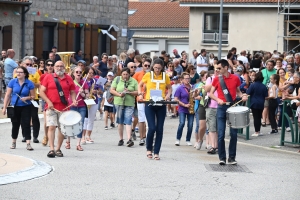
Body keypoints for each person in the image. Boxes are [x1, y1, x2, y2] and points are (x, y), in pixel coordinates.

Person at [209, 59, 248, 165]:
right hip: (221, 108)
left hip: (233, 106)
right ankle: (222, 157)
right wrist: (218, 100)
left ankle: (232, 157)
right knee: (221, 134)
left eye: (219, 68)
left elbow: (238, 92)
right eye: (217, 68)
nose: (217, 70)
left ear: (226, 68)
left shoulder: (235, 78)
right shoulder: (217, 79)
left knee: (233, 134)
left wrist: (243, 96)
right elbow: (211, 94)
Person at [39, 61, 77, 158]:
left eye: (61, 66)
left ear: (64, 67)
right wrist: (48, 102)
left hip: (64, 107)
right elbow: (41, 92)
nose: (59, 68)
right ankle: (51, 149)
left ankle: (58, 149)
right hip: (51, 107)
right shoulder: (48, 77)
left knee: (62, 129)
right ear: (54, 67)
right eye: (57, 66)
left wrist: (73, 99)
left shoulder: (68, 78)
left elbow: (72, 91)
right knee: (51, 127)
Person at [138, 58, 172, 160]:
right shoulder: (148, 75)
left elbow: (169, 87)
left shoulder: (165, 76)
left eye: (159, 68)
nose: (157, 69)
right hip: (150, 103)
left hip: (161, 104)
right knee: (152, 128)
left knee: (160, 129)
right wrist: (140, 94)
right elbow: (140, 85)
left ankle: (156, 151)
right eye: (155, 67)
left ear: (162, 68)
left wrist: (168, 95)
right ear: (153, 67)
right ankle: (149, 149)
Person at [2, 66, 35, 150]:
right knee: (15, 124)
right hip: (15, 106)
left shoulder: (29, 83)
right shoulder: (12, 82)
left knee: (26, 124)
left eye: (20, 72)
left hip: (26, 106)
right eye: (17, 72)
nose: (18, 74)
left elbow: (33, 96)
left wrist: (27, 98)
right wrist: (4, 107)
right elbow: (8, 95)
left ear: (24, 74)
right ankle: (13, 142)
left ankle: (28, 143)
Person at [13, 57, 41, 143]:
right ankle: (25, 135)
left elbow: (39, 84)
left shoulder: (36, 73)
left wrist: (32, 83)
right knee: (24, 118)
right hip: (22, 99)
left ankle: (35, 136)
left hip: (33, 98)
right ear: (23, 65)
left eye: (30, 64)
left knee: (35, 117)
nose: (29, 66)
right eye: (27, 64)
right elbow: (15, 80)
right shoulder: (19, 72)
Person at [110, 67, 138, 147]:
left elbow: (137, 92)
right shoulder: (117, 79)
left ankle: (129, 139)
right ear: (121, 74)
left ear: (129, 74)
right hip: (119, 102)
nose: (125, 76)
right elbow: (112, 90)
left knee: (128, 120)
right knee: (120, 121)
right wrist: (119, 94)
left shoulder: (133, 81)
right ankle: (121, 139)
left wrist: (129, 92)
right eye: (123, 74)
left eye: (127, 74)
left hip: (129, 103)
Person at [64, 66, 89, 151]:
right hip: (72, 106)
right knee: (70, 124)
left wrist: (82, 93)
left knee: (80, 124)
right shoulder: (70, 82)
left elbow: (87, 96)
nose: (78, 73)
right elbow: (66, 93)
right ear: (73, 73)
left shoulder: (84, 83)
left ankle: (78, 144)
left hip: (81, 106)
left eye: (80, 72)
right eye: (77, 72)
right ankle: (68, 142)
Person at [132, 58, 151, 145]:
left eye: (148, 65)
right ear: (142, 65)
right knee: (141, 118)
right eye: (145, 65)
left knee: (149, 119)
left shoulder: (152, 75)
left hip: (149, 99)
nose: (147, 67)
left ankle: (148, 137)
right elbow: (133, 85)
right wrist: (138, 94)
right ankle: (142, 137)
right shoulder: (137, 74)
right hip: (140, 99)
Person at [82, 67, 103, 144]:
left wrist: (97, 91)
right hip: (85, 101)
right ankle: (83, 137)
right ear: (86, 73)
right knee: (85, 120)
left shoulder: (96, 81)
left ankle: (88, 136)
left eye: (92, 73)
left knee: (91, 119)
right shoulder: (83, 81)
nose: (91, 75)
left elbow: (100, 91)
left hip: (94, 100)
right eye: (89, 73)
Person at [174, 72, 195, 146]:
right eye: (186, 78)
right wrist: (184, 105)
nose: (187, 80)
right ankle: (178, 139)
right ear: (182, 80)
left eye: (188, 78)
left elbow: (195, 96)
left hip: (191, 108)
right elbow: (176, 99)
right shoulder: (180, 88)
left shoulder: (192, 87)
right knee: (182, 123)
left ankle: (188, 139)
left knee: (190, 124)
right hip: (182, 108)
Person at [246, 72, 268, 137]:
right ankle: (259, 130)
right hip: (261, 102)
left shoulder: (253, 85)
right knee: (259, 117)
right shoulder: (264, 86)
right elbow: (266, 95)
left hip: (254, 102)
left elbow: (248, 93)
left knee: (255, 117)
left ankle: (256, 131)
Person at [40, 59, 55, 146]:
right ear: (46, 66)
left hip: (55, 99)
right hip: (46, 99)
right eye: (48, 65)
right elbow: (42, 89)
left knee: (53, 122)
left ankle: (51, 139)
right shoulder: (43, 76)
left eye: (51, 65)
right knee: (46, 120)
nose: (50, 66)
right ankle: (46, 136)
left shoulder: (56, 76)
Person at [205, 69, 219, 154]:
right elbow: (206, 89)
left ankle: (216, 146)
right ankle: (213, 146)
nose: (217, 71)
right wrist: (216, 80)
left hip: (221, 106)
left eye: (219, 69)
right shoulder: (210, 78)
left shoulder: (223, 78)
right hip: (211, 106)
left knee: (218, 128)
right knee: (211, 127)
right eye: (216, 70)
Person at [194, 71, 207, 150]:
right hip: (202, 105)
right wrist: (196, 94)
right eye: (205, 77)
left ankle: (210, 144)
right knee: (201, 127)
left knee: (211, 128)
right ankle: (199, 140)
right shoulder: (201, 84)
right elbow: (195, 95)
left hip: (211, 106)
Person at [261, 60, 277, 126]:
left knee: (270, 106)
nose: (269, 66)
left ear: (273, 66)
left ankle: (269, 119)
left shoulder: (275, 71)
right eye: (268, 64)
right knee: (265, 106)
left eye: (271, 65)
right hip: (264, 89)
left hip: (272, 89)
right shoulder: (263, 71)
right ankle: (264, 120)